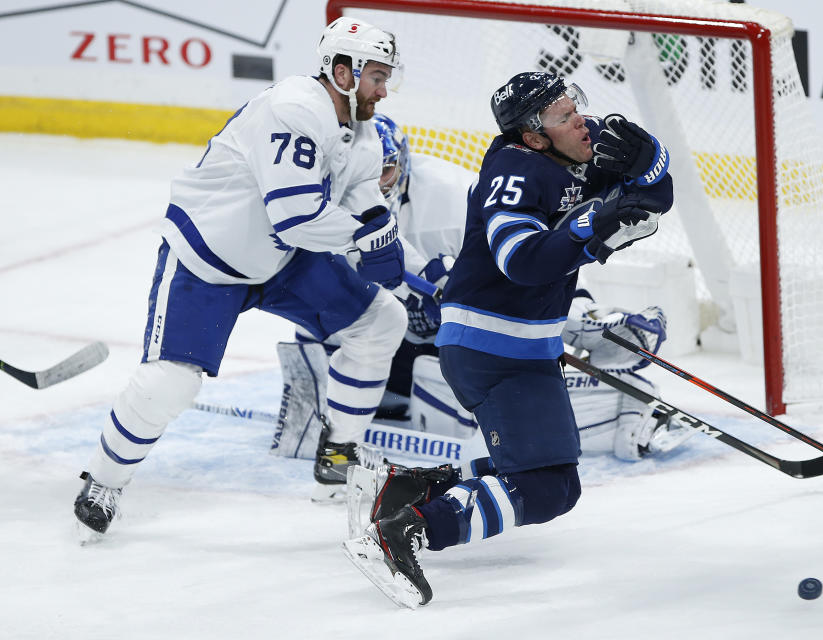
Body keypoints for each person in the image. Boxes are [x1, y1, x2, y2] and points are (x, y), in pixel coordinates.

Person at [342, 71, 676, 607]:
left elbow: (652, 201)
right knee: (547, 489)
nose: (582, 121)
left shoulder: (575, 159)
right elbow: (521, 261)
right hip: (488, 349)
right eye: (563, 116)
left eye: (578, 107)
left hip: (522, 349)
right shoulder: (514, 172)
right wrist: (592, 229)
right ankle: (407, 530)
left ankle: (409, 489)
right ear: (533, 136)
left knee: (547, 471)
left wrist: (651, 161)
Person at [72, 16, 407, 540]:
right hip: (210, 255)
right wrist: (365, 239)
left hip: (281, 259)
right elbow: (296, 216)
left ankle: (337, 456)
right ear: (342, 70)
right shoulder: (294, 109)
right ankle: (105, 482)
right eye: (377, 77)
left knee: (382, 321)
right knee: (171, 382)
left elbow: (357, 189)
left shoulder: (361, 129)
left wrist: (380, 224)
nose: (384, 91)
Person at [273, 113, 692, 470]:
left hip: (469, 331)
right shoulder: (323, 208)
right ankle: (610, 406)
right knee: (445, 401)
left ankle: (589, 325)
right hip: (390, 345)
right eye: (360, 175)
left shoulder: (451, 195)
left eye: (382, 170)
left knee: (479, 385)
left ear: (401, 160)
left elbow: (537, 258)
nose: (374, 184)